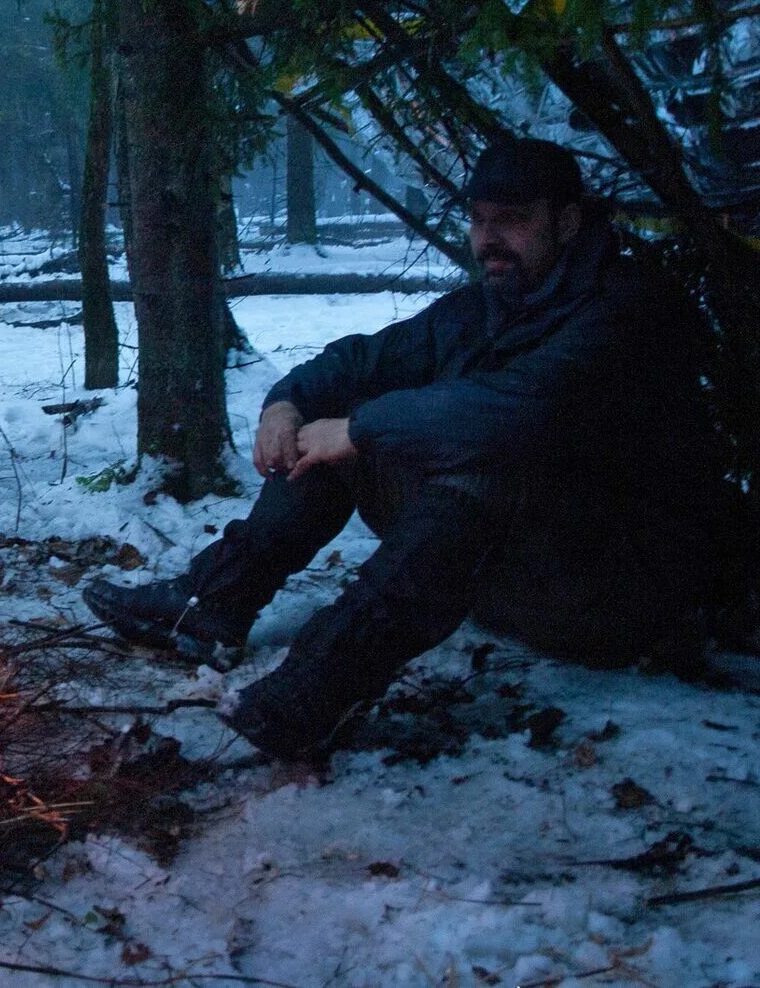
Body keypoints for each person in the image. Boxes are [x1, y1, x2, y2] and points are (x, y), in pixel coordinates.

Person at [85, 137, 736, 762]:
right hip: (520, 577)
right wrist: (286, 403)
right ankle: (211, 606)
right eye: (480, 220)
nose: (489, 239)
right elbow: (364, 358)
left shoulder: (627, 310)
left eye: (511, 220)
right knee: (339, 432)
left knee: (465, 460)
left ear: (567, 222)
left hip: (619, 596)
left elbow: (512, 416)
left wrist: (359, 426)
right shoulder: (487, 305)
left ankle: (319, 690)